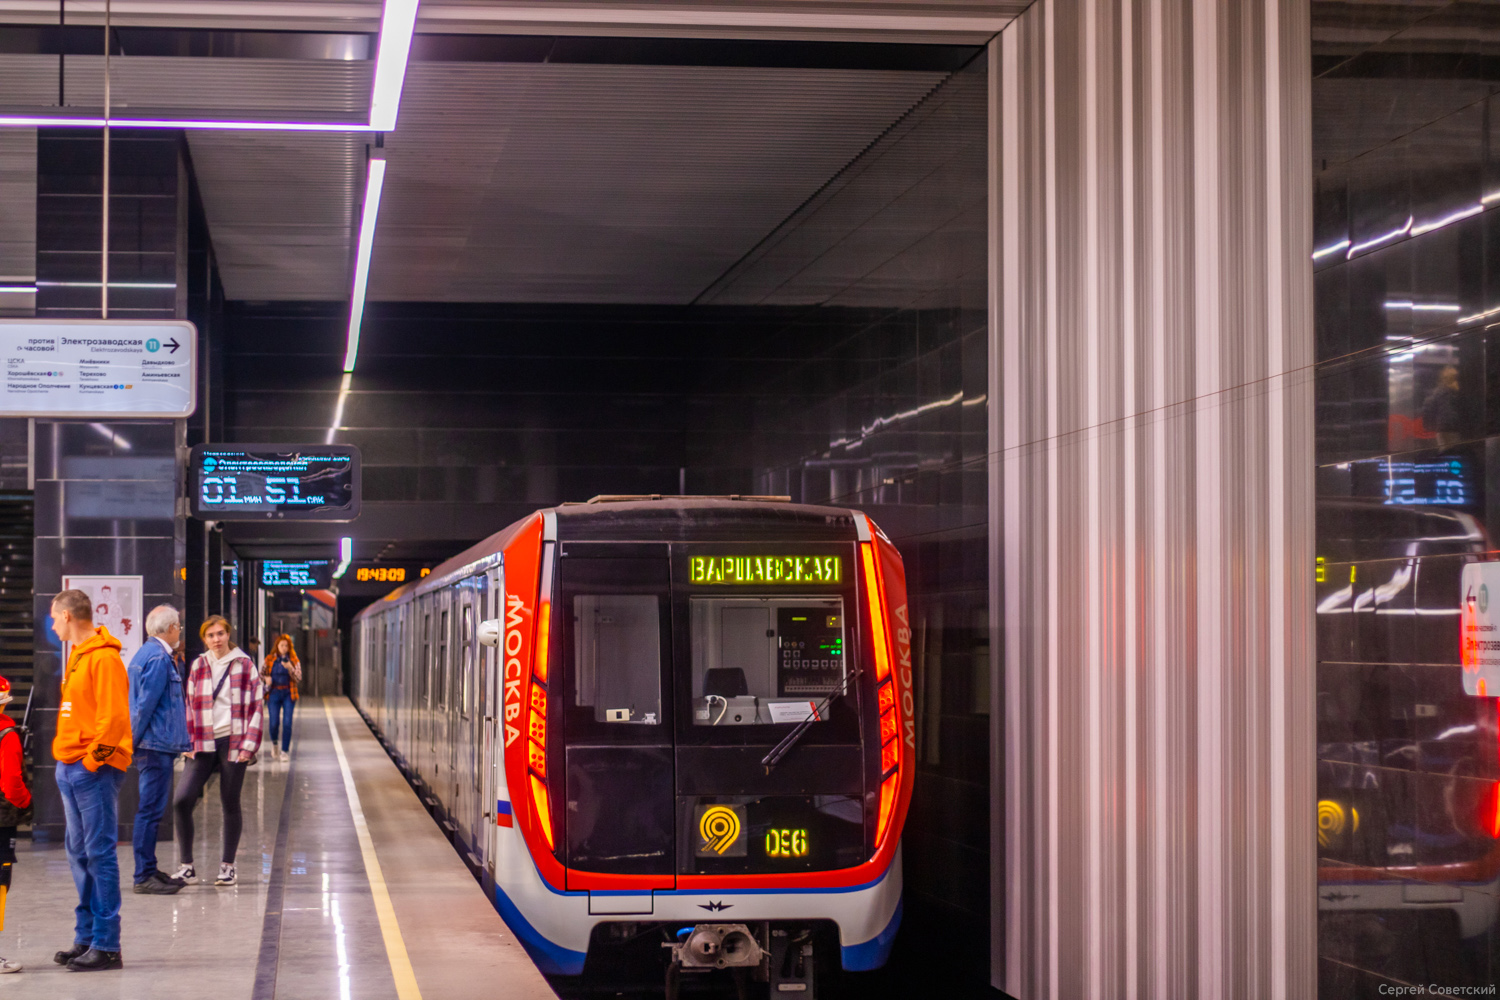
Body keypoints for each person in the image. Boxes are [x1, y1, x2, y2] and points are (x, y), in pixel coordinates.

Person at [49, 589, 131, 972]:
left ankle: (107, 944)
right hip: (70, 767)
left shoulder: (104, 658)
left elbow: (113, 721)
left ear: (68, 615)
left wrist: (91, 762)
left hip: (90, 770)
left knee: (99, 854)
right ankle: (86, 938)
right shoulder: (78, 657)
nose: (51, 624)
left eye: (54, 617)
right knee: (80, 855)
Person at [172, 616, 263, 888]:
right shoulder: (199, 664)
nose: (216, 639)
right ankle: (187, 866)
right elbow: (188, 703)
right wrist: (187, 742)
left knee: (229, 801)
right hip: (202, 740)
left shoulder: (244, 664)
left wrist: (249, 745)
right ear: (204, 639)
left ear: (228, 634)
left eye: (220, 633)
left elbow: (257, 706)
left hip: (233, 741)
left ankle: (228, 866)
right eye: (210, 635)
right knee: (181, 800)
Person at [126, 605, 190, 895]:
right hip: (153, 746)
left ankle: (149, 869)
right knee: (149, 812)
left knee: (152, 811)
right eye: (178, 626)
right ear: (171, 628)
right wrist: (133, 743)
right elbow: (143, 706)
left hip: (155, 745)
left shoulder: (149, 654)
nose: (180, 631)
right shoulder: (158, 658)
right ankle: (143, 876)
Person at [0, 676, 30, 973]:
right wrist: (25, 803)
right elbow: (11, 782)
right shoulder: (7, 733)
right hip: (1, 819)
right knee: (0, 882)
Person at [261, 635, 301, 762]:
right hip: (273, 693)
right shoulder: (269, 659)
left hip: (289, 693)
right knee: (273, 723)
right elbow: (261, 674)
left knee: (287, 723)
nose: (284, 648)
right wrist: (266, 680)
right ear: (277, 646)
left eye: (286, 646)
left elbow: (299, 678)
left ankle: (285, 751)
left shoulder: (294, 660)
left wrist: (290, 668)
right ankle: (275, 744)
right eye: (281, 645)